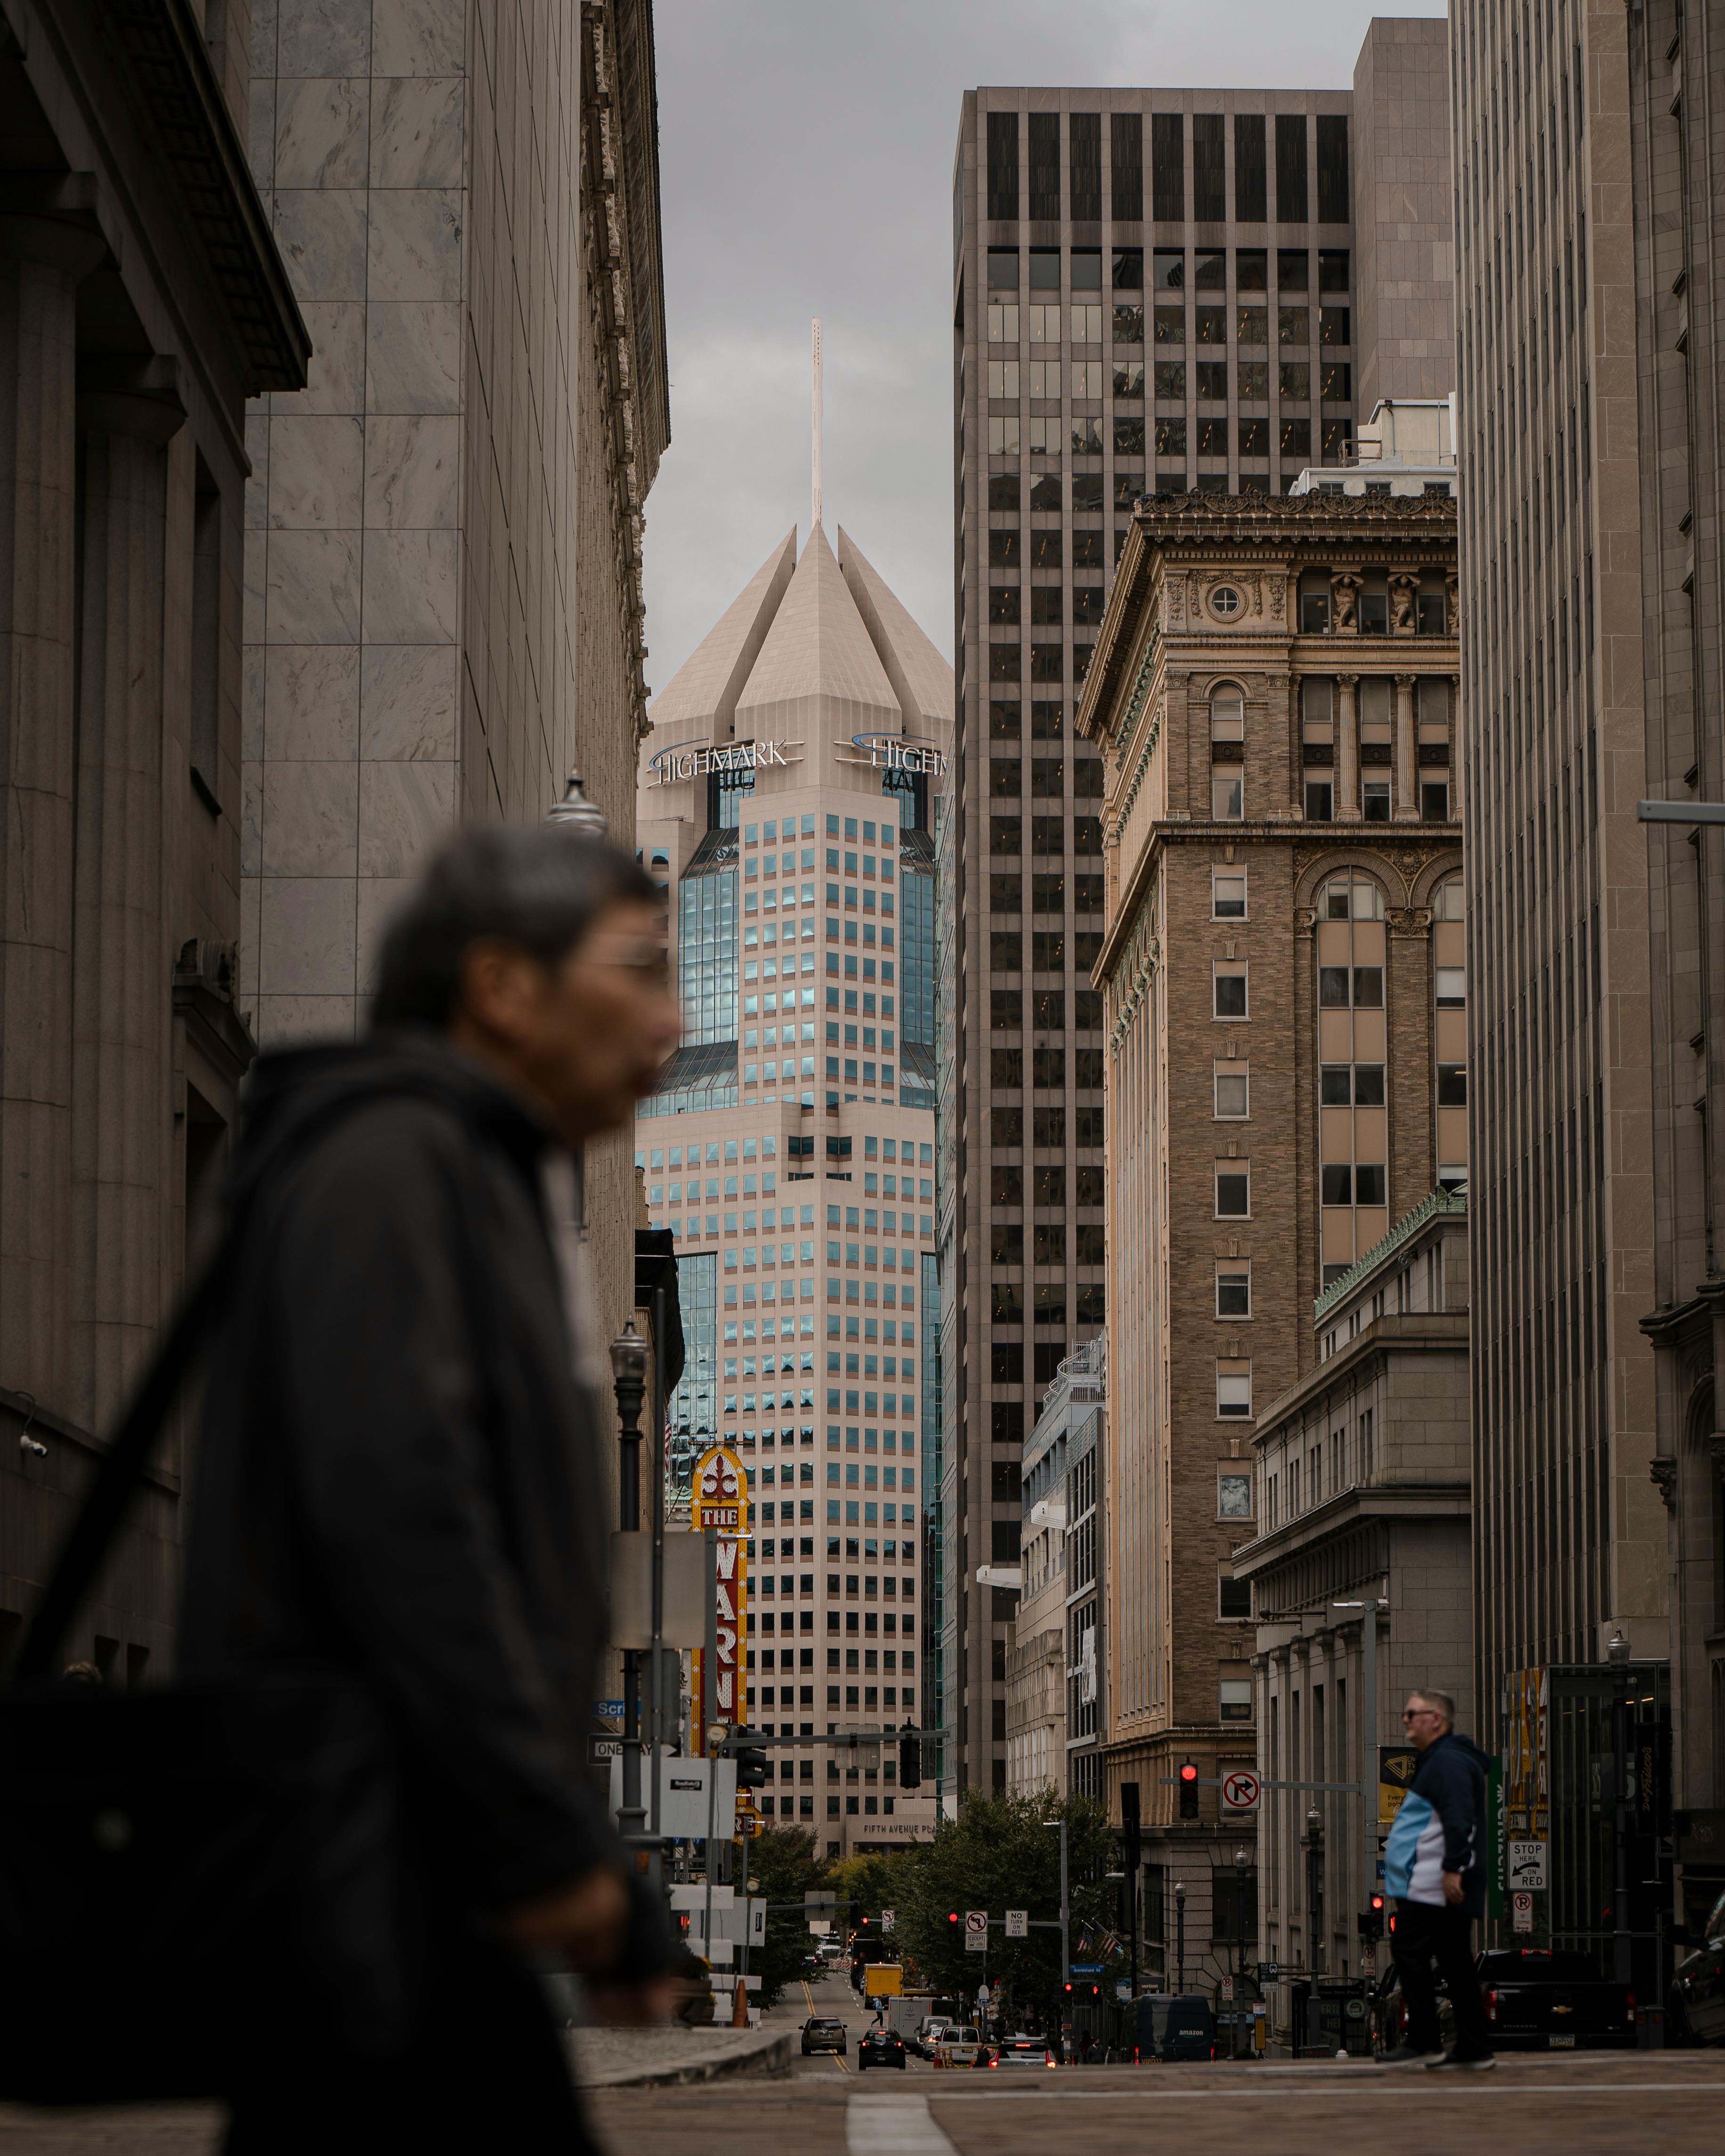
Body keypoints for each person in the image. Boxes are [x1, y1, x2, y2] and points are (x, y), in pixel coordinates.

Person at [179, 826, 684, 2150]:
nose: (670, 1020)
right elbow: (401, 1518)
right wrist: (543, 1837)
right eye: (635, 971)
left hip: (414, 1873)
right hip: (369, 1873)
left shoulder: (460, 1169)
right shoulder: (392, 1165)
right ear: (503, 987)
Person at [1380, 1687, 1495, 2070]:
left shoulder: (1446, 1762)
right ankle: (1473, 2046)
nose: (1405, 1720)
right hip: (1434, 1879)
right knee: (1455, 1961)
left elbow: (1459, 1816)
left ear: (1436, 1719)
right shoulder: (1442, 1760)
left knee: (1408, 1951)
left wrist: (1451, 1868)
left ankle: (1423, 2040)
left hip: (1432, 1881)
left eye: (1412, 1713)